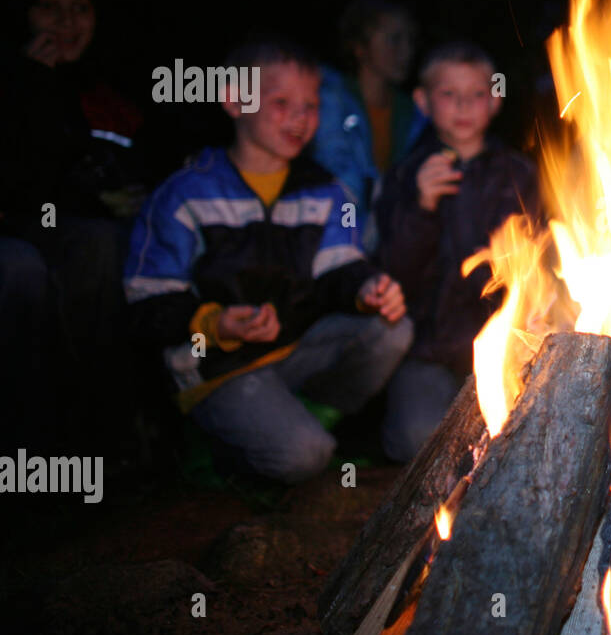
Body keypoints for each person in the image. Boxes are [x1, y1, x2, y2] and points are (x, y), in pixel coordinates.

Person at [124, 38, 413, 484]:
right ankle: (219, 452)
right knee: (303, 456)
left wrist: (367, 288)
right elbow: (145, 303)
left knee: (391, 328)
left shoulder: (325, 191)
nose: (301, 119)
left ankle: (306, 423)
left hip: (291, 351)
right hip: (217, 367)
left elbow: (339, 269)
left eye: (311, 106)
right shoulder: (186, 194)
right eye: (282, 103)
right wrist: (215, 322)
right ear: (235, 101)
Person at [0, 0, 144, 452]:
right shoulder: (19, 79)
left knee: (111, 244)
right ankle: (34, 448)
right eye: (49, 6)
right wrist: (31, 84)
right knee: (23, 270)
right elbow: (25, 183)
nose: (65, 21)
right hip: (20, 232)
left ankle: (111, 436)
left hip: (75, 230)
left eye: (79, 7)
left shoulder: (107, 84)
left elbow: (133, 167)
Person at [374, 42, 538, 461]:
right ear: (423, 101)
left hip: (503, 346)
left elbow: (544, 263)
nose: (464, 105)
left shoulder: (520, 174)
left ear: (495, 99)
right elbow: (392, 273)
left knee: (517, 438)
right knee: (420, 443)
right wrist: (421, 208)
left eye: (477, 94)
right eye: (448, 94)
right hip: (426, 350)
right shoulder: (405, 176)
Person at [310, 0, 425, 245]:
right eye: (394, 39)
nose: (406, 52)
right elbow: (338, 176)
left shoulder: (417, 112)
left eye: (410, 40)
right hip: (334, 241)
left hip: (391, 247)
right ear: (359, 47)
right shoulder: (329, 101)